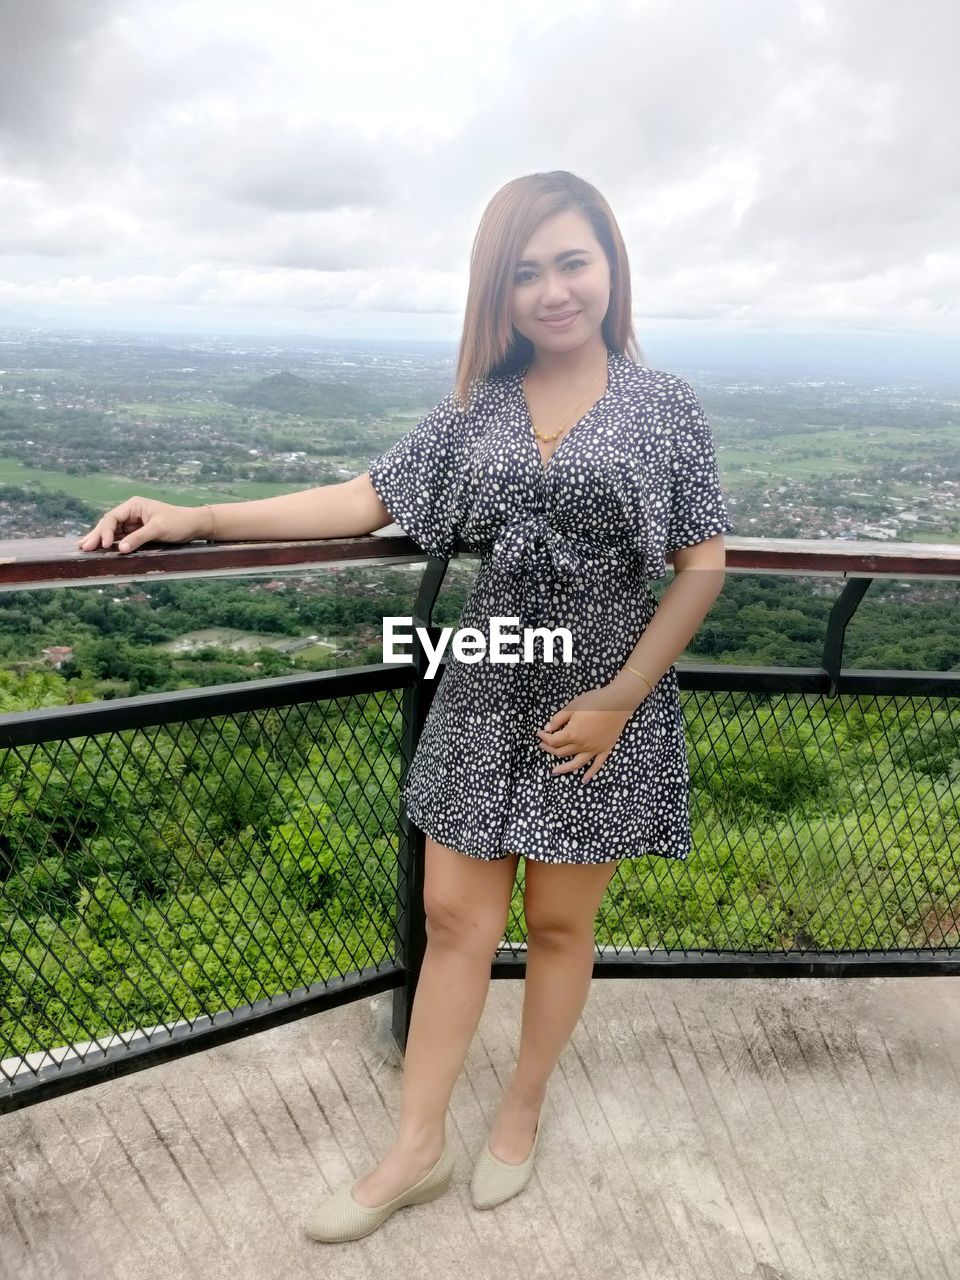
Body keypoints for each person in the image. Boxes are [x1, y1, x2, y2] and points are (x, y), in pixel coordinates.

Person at [79, 170, 734, 1243]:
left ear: (612, 265)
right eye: (524, 272)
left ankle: (519, 1110)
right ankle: (415, 1145)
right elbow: (364, 498)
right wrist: (197, 514)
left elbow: (702, 563)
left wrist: (620, 698)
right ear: (498, 289)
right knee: (453, 920)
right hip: (485, 688)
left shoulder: (666, 406)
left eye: (573, 261)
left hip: (604, 698)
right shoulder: (477, 408)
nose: (553, 289)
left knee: (561, 924)